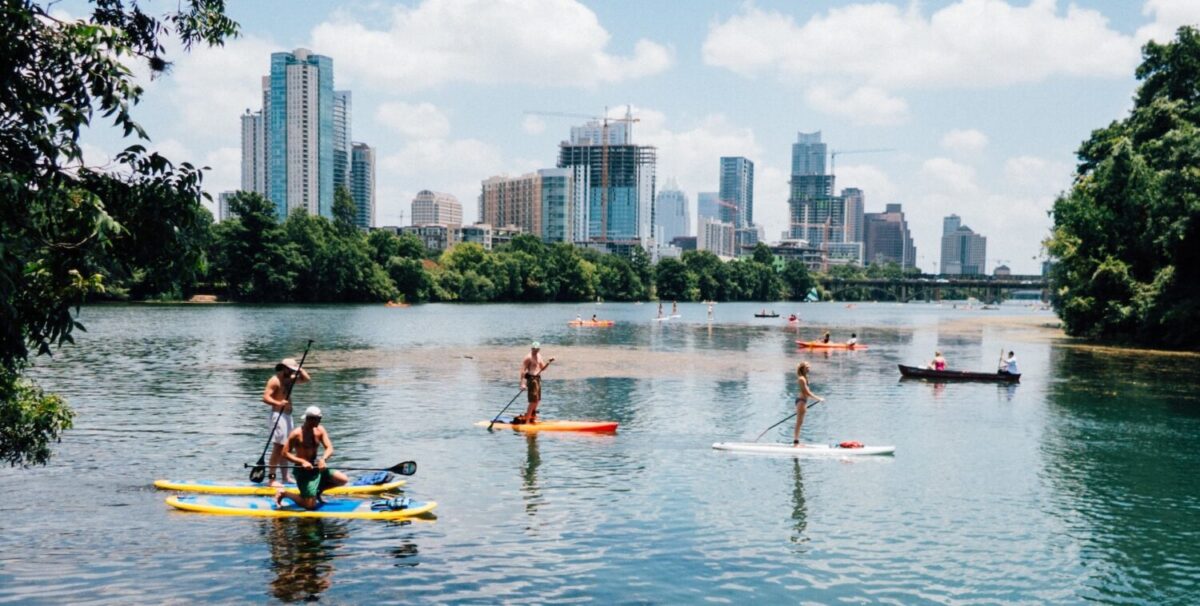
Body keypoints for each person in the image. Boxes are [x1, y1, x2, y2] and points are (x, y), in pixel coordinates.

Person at [274, 407, 348, 510]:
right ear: (310, 419)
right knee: (310, 505)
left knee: (343, 479)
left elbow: (329, 448)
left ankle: (316, 492)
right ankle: (284, 493)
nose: (320, 420)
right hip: (302, 472)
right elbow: (284, 453)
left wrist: (323, 459)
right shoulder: (296, 434)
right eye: (319, 418)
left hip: (317, 467)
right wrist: (302, 461)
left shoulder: (320, 430)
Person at [262, 357, 311, 487]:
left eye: (293, 370)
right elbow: (265, 397)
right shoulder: (275, 380)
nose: (292, 372)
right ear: (283, 368)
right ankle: (271, 479)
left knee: (287, 447)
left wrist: (299, 369)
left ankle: (285, 477)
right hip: (278, 415)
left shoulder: (290, 379)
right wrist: (278, 402)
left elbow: (306, 379)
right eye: (290, 369)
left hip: (288, 416)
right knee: (278, 447)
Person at [516, 342, 555, 424]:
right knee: (533, 401)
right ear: (531, 348)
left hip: (537, 379)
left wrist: (548, 362)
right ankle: (527, 421)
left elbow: (542, 368)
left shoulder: (539, 356)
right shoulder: (528, 357)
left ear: (539, 349)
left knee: (537, 400)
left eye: (536, 349)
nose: (535, 350)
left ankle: (532, 417)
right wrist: (522, 384)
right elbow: (522, 370)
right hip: (531, 380)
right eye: (533, 349)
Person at [792, 362, 824, 446]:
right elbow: (806, 392)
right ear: (803, 368)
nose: (809, 369)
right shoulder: (801, 379)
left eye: (809, 367)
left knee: (800, 422)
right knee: (799, 422)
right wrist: (818, 398)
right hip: (801, 401)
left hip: (803, 401)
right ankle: (796, 443)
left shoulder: (805, 378)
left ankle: (797, 441)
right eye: (807, 367)